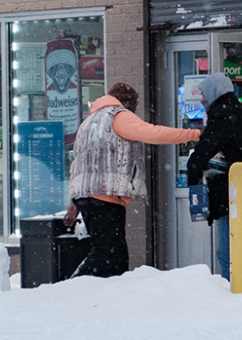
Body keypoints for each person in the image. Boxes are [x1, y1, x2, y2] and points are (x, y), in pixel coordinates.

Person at [64, 82, 200, 278]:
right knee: (110, 255)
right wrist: (193, 134)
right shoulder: (118, 116)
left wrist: (73, 201)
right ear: (127, 102)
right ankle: (75, 288)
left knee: (108, 251)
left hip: (85, 196)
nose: (134, 110)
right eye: (134, 106)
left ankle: (100, 293)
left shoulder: (89, 122)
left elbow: (77, 164)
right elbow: (153, 133)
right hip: (105, 195)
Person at [186, 73, 242, 279]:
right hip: (241, 189)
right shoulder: (239, 112)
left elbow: (206, 148)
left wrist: (193, 171)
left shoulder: (223, 116)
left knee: (227, 253)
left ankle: (232, 297)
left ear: (214, 93)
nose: (203, 100)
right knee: (234, 248)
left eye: (204, 95)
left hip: (230, 191)